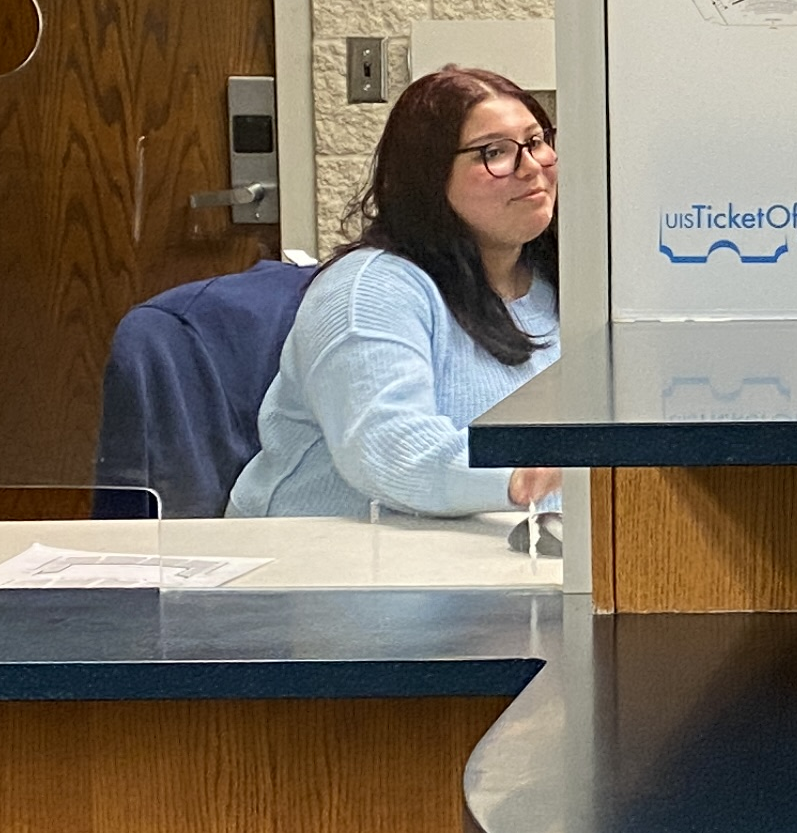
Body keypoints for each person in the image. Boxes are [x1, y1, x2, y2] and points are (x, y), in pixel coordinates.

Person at [229, 64, 566, 523]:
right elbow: (390, 447)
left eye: (536, 142)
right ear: (429, 177)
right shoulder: (368, 290)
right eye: (494, 152)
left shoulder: (560, 279)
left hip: (498, 558)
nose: (532, 168)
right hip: (326, 570)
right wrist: (519, 476)